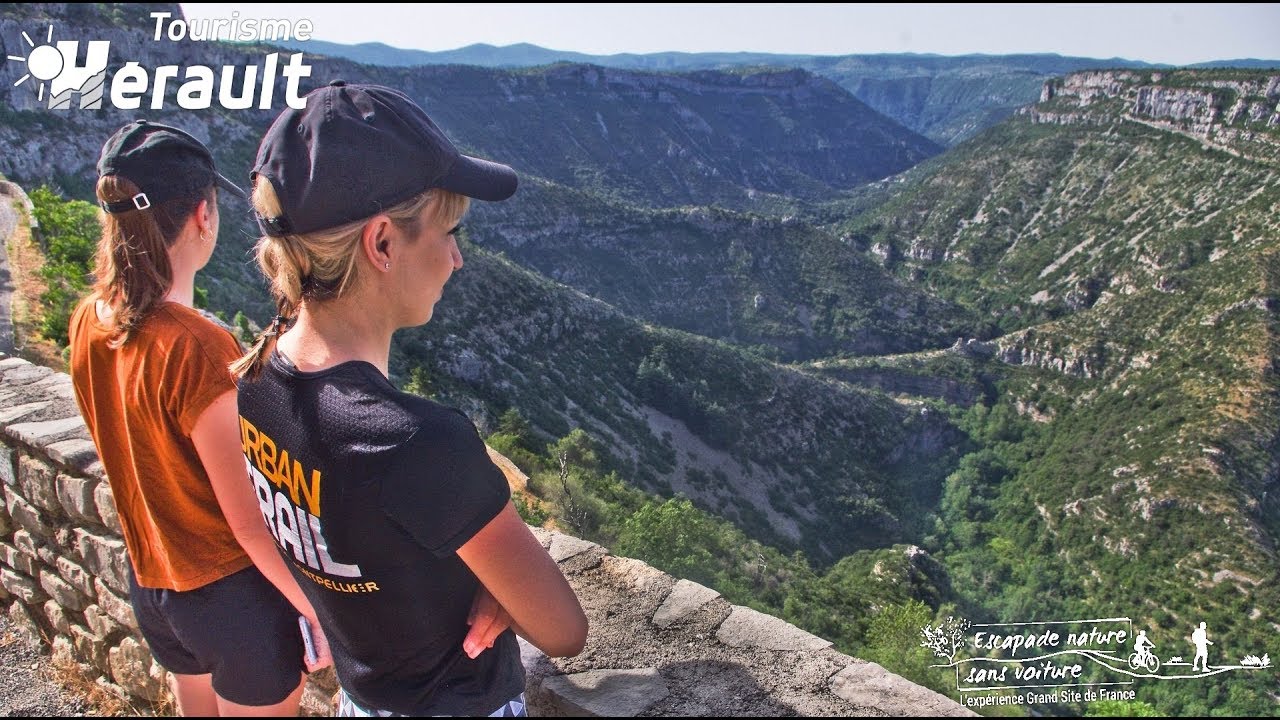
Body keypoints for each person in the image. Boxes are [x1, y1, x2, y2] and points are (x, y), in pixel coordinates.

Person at [232, 80, 588, 718]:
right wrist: (504, 586)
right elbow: (564, 630)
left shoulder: (258, 381)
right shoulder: (415, 440)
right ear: (382, 243)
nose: (456, 258)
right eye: (448, 232)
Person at [68, 120, 330, 716]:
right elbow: (243, 519)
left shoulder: (90, 318)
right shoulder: (198, 345)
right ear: (203, 217)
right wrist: (315, 606)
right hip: (230, 598)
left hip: (154, 583)